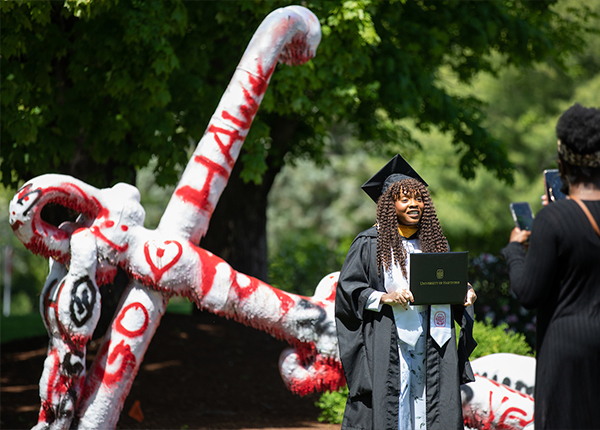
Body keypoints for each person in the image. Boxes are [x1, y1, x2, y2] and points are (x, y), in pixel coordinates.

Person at [335, 155, 477, 430]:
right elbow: (348, 290)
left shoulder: (435, 242)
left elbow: (450, 283)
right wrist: (384, 297)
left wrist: (465, 293)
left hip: (433, 339)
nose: (414, 205)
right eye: (404, 199)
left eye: (419, 199)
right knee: (394, 402)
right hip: (390, 337)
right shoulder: (369, 243)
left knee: (430, 404)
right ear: (389, 205)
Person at [502, 103, 600, 430]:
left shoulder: (553, 218)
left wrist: (515, 250)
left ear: (562, 164)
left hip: (566, 349)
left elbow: (529, 292)